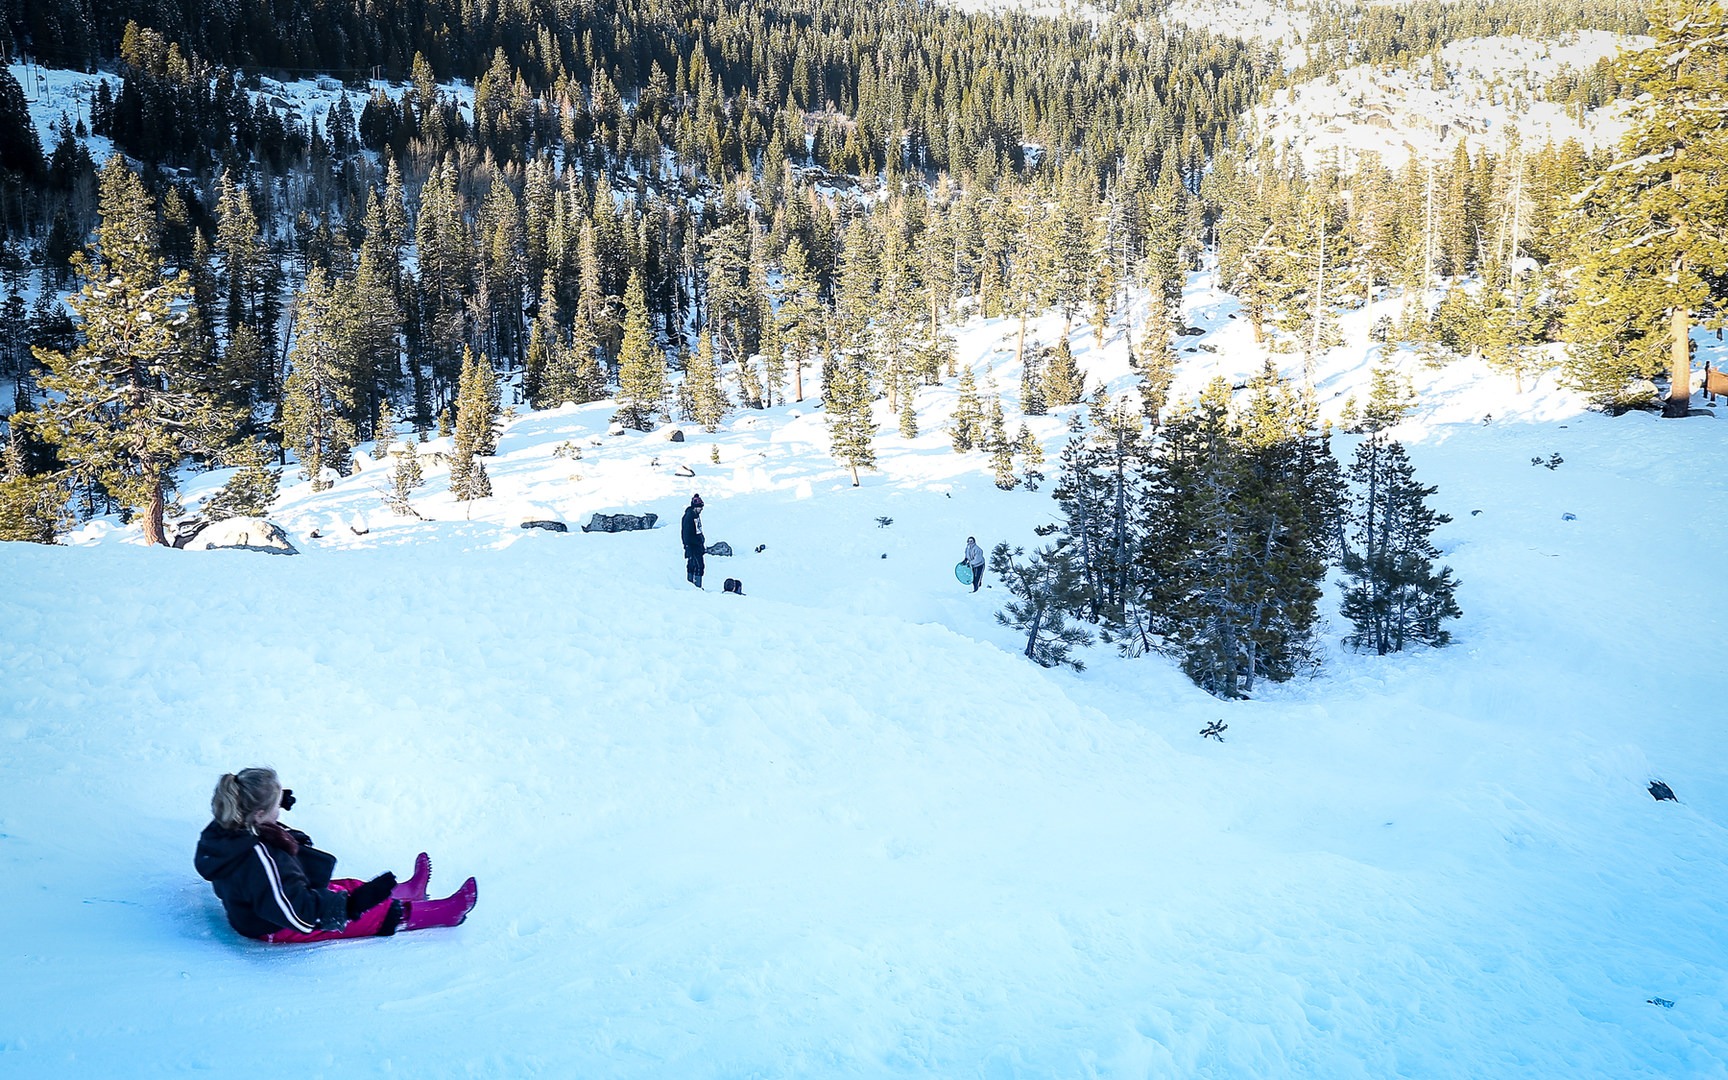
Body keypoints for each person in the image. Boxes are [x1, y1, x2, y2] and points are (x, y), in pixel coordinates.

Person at [194, 767, 476, 943]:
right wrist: (352, 907)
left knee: (348, 886)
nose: (280, 811)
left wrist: (276, 802)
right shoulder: (258, 859)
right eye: (276, 806)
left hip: (263, 903)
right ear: (258, 814)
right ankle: (444, 913)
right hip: (274, 925)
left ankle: (410, 890)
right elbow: (297, 914)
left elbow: (263, 831)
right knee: (372, 911)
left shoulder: (230, 826)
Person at [681, 493, 706, 588]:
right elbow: (686, 533)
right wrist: (687, 545)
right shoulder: (689, 517)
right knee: (698, 566)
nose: (701, 509)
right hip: (692, 545)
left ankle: (692, 585)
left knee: (694, 565)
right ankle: (694, 586)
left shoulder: (695, 516)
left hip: (697, 545)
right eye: (700, 507)